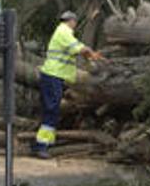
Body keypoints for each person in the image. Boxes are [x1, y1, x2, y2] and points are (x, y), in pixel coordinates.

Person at [32, 11, 104, 159]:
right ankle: (41, 146)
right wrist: (92, 54)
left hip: (54, 75)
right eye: (75, 23)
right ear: (71, 21)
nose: (75, 26)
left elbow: (78, 47)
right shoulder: (64, 31)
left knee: (51, 109)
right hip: (53, 75)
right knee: (52, 109)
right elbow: (80, 48)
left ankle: (43, 143)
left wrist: (89, 55)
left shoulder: (63, 32)